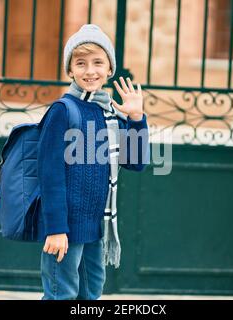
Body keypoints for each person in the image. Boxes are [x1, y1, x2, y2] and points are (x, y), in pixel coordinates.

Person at [38, 24, 149, 300]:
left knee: (91, 294)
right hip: (65, 230)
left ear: (109, 69)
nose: (90, 71)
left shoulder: (109, 113)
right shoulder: (63, 111)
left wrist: (136, 119)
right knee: (60, 294)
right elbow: (50, 175)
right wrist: (55, 229)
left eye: (98, 63)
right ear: (70, 70)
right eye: (81, 63)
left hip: (96, 228)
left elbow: (135, 162)